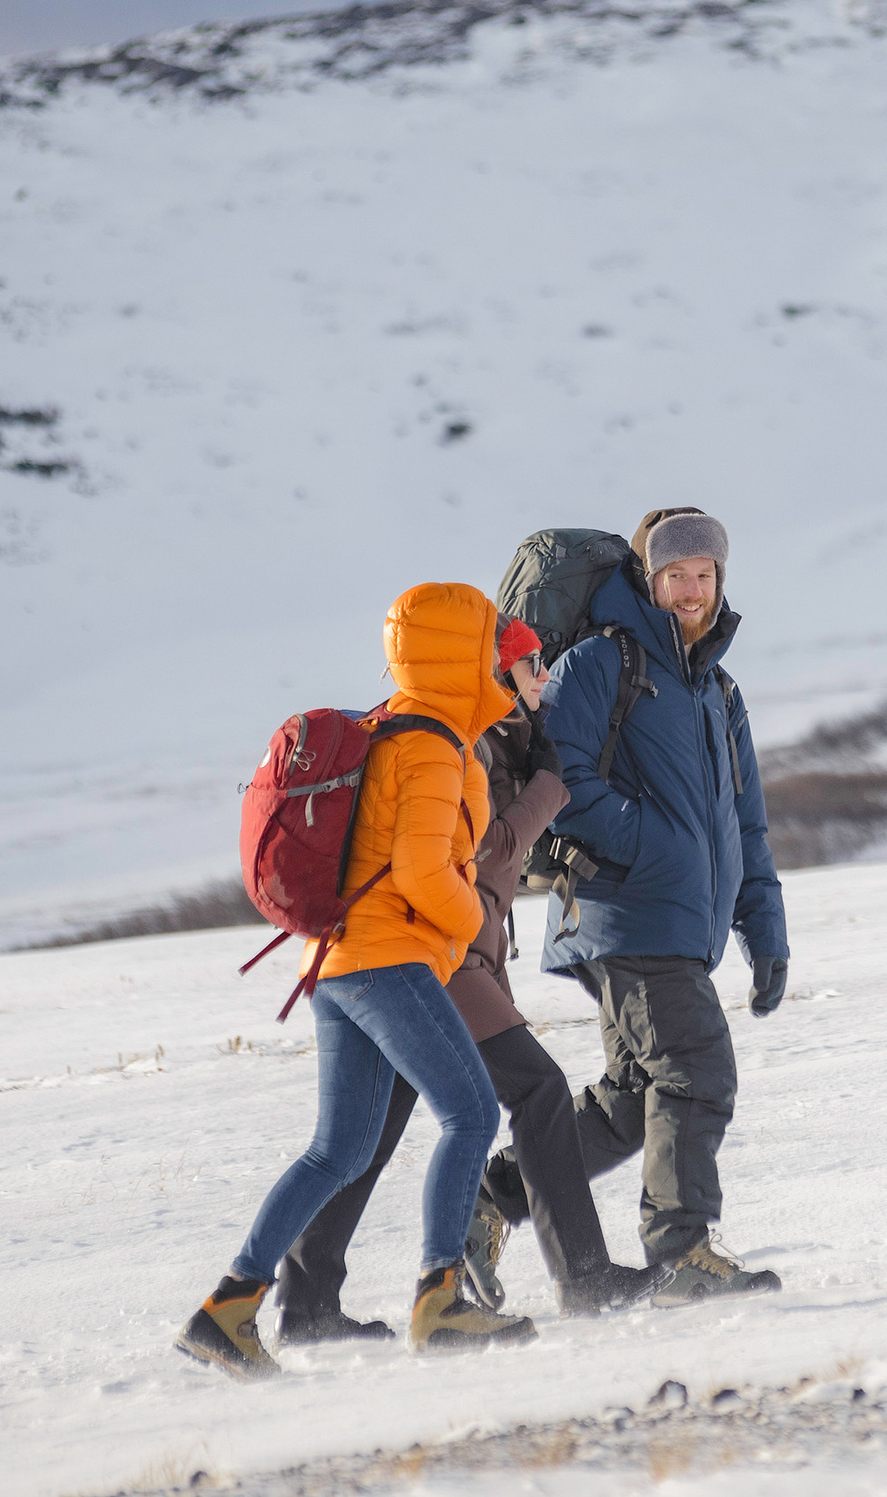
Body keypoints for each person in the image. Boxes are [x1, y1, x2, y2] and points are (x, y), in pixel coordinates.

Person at [175, 582, 533, 1378]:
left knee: (339, 1149)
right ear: (463, 654)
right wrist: (473, 920)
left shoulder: (396, 728)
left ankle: (227, 1310)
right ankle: (440, 1302)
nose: (499, 659)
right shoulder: (434, 744)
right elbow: (418, 868)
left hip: (334, 959)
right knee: (471, 1115)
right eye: (488, 642)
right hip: (382, 958)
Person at [270, 618, 658, 1341]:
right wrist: (551, 789)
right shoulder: (465, 746)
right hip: (431, 956)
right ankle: (584, 1274)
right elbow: (479, 854)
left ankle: (306, 1303)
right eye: (530, 665)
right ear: (497, 677)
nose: (543, 678)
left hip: (446, 957)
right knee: (537, 1090)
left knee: (372, 1134)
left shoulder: (499, 741)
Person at [512, 506, 791, 1304]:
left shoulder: (716, 688)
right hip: (622, 909)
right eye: (675, 575)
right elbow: (558, 783)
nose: (691, 590)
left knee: (637, 1102)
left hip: (675, 921)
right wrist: (650, 844)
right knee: (697, 1070)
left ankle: (487, 1205)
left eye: (704, 575)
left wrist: (763, 933)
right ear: (649, 578)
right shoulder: (606, 661)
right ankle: (680, 1252)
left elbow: (745, 824)